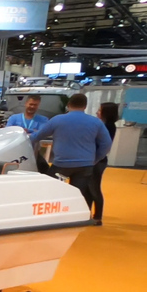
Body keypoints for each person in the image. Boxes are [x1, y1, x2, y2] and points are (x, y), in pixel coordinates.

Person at [31, 94, 112, 223]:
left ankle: (52, 217)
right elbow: (106, 144)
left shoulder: (57, 120)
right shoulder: (96, 122)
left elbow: (37, 136)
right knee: (79, 192)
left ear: (68, 105)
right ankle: (77, 217)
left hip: (61, 164)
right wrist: (95, 159)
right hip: (85, 165)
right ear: (85, 106)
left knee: (52, 189)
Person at [90, 102, 119, 224]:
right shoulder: (105, 125)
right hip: (96, 159)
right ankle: (89, 213)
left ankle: (98, 217)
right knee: (90, 188)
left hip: (97, 160)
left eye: (100, 110)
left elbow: (103, 145)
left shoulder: (107, 127)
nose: (97, 112)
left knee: (94, 188)